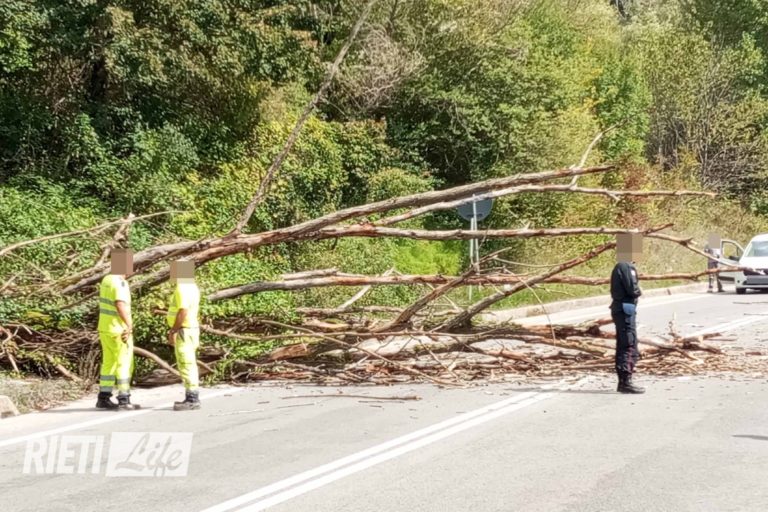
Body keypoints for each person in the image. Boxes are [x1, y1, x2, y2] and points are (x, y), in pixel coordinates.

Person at [96, 248, 140, 410]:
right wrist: (129, 325)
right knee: (124, 363)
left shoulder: (107, 279)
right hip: (119, 330)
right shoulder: (120, 282)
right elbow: (120, 304)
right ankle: (124, 398)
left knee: (109, 363)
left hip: (105, 328)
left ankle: (103, 397)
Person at [166, 260, 202, 411]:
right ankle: (191, 396)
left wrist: (173, 330)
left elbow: (183, 311)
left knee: (186, 363)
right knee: (189, 363)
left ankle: (192, 398)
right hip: (191, 329)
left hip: (184, 330)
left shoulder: (182, 288)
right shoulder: (192, 286)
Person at [610, 259, 645, 394]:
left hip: (622, 309)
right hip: (625, 309)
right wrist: (639, 291)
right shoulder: (626, 266)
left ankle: (623, 382)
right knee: (628, 345)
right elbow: (632, 289)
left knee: (623, 345)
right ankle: (625, 382)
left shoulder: (622, 266)